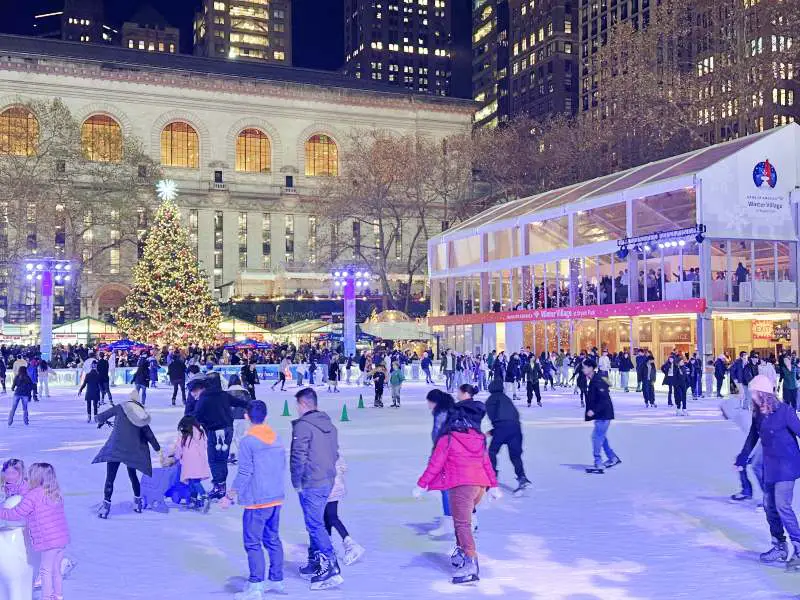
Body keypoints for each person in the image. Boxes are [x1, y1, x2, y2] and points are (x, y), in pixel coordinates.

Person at [414, 399, 499, 585]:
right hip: (479, 487)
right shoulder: (477, 437)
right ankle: (462, 555)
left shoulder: (449, 438)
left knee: (462, 525)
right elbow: (486, 462)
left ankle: (471, 564)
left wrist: (421, 485)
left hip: (461, 486)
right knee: (462, 523)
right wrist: (493, 485)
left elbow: (435, 464)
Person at [221, 400, 287, 598]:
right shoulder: (276, 437)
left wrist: (229, 496)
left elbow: (244, 472)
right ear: (265, 417)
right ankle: (276, 579)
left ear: (246, 417)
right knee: (273, 539)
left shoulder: (248, 442)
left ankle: (256, 584)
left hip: (257, 501)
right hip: (276, 498)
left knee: (252, 542)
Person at [735, 375, 800, 567]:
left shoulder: (785, 411)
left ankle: (798, 546)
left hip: (787, 465)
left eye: (755, 393)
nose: (752, 396)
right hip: (770, 466)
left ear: (764, 394)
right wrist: (742, 457)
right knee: (769, 505)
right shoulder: (758, 414)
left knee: (782, 505)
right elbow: (752, 437)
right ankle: (780, 545)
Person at [291, 387, 343, 590]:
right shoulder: (328, 424)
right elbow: (335, 453)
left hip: (311, 482)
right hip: (326, 479)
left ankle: (331, 566)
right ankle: (315, 561)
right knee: (316, 522)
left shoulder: (303, 426)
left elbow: (298, 456)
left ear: (303, 404)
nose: (296, 409)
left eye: (297, 405)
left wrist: (296, 481)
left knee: (314, 524)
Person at [0, 463, 70, 600]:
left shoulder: (33, 495)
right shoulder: (56, 493)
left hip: (48, 540)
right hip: (61, 539)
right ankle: (58, 596)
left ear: (36, 477)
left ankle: (47, 597)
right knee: (56, 570)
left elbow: (16, 513)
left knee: (45, 571)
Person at [93, 390, 161, 518]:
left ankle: (106, 506)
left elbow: (101, 417)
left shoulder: (121, 407)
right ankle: (138, 502)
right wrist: (158, 449)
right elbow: (149, 434)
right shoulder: (141, 414)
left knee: (110, 477)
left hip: (116, 448)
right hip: (132, 451)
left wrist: (98, 420)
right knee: (133, 475)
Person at [190, 373, 248, 500]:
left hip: (215, 433)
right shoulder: (224, 395)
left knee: (214, 460)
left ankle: (219, 486)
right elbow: (240, 402)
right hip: (228, 430)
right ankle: (221, 486)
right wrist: (252, 405)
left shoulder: (204, 398)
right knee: (222, 459)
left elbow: (196, 416)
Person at [482, 381, 531, 494]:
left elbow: (496, 419)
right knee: (515, 455)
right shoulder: (506, 398)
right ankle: (522, 477)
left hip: (501, 428)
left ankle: (492, 477)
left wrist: (493, 431)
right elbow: (513, 416)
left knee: (492, 452)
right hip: (516, 428)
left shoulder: (491, 400)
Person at [425, 389, 457, 537]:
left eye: (429, 401)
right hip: (454, 453)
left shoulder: (441, 415)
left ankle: (449, 522)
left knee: (446, 488)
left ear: (435, 402)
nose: (428, 405)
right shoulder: (450, 410)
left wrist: (435, 456)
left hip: (446, 454)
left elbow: (439, 436)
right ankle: (467, 519)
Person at [325, 453, 365, 566]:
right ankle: (328, 546)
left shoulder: (321, 452)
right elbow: (344, 468)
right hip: (337, 487)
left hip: (328, 489)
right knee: (328, 517)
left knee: (331, 517)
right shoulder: (334, 451)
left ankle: (350, 543)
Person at [166, 415, 212, 511]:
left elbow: (179, 449)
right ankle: (193, 500)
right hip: (200, 461)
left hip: (189, 462)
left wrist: (175, 458)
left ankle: (204, 496)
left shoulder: (184, 435)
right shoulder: (201, 433)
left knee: (194, 481)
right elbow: (204, 446)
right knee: (193, 481)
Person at [584, 358, 621, 472]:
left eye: (584, 367)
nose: (582, 369)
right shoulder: (594, 379)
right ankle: (612, 457)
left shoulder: (598, 380)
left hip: (604, 414)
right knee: (601, 436)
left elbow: (604, 400)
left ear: (590, 368)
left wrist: (593, 411)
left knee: (596, 437)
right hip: (601, 414)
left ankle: (598, 462)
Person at [227, 374, 252, 466]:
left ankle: (232, 454)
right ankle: (243, 455)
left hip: (230, 418)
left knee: (231, 438)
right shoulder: (245, 392)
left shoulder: (227, 392)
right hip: (242, 417)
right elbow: (248, 404)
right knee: (240, 437)